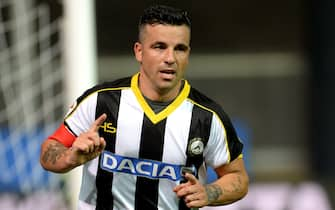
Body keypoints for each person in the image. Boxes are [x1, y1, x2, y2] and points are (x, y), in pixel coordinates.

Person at [40, 4, 249, 210]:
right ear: (139, 52)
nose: (170, 58)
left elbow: (237, 177)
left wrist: (209, 193)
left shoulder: (207, 117)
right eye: (160, 47)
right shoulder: (100, 102)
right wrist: (70, 157)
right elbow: (50, 149)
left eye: (180, 49)